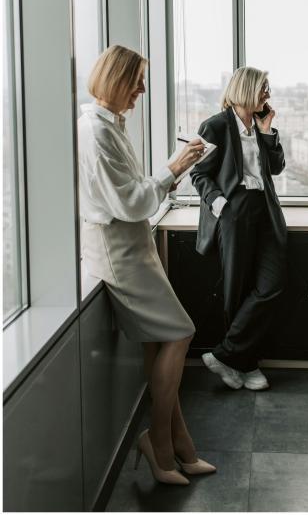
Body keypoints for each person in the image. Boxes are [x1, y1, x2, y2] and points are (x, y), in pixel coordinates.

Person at [78, 45, 216, 485]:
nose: (141, 89)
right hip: (118, 252)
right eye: (136, 80)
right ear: (115, 79)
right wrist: (174, 168)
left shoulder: (111, 127)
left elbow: (133, 195)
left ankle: (179, 444)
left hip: (134, 247)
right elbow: (133, 202)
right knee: (180, 331)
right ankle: (158, 443)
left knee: (160, 343)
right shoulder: (95, 133)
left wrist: (168, 173)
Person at [191, 67, 287, 391]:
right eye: (264, 90)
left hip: (264, 212)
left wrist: (268, 131)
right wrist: (221, 205)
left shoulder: (260, 126)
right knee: (237, 290)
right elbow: (199, 174)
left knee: (271, 285)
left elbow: (275, 168)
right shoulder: (216, 125)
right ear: (246, 90)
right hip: (234, 212)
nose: (267, 96)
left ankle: (226, 356)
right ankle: (245, 365)